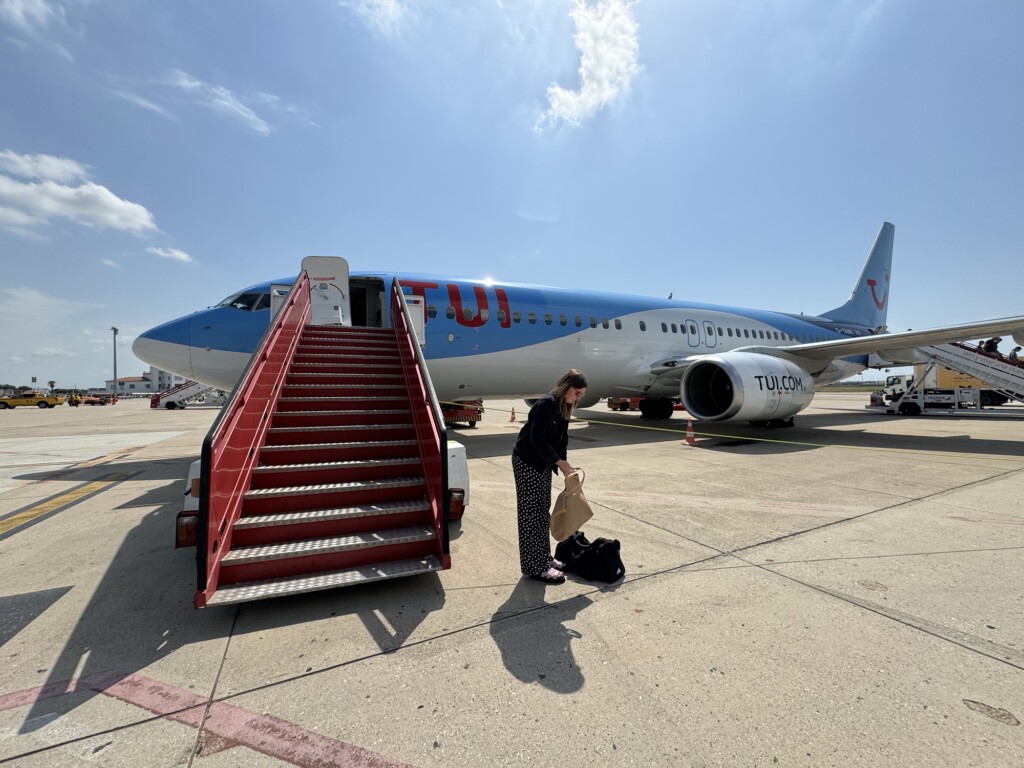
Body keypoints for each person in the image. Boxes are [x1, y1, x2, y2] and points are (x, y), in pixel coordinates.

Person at [511, 369, 588, 585]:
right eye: (577, 392)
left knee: (542, 510)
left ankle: (543, 557)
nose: (578, 397)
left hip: (543, 462)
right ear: (566, 387)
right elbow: (537, 438)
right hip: (527, 461)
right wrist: (559, 462)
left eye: (581, 394)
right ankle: (534, 567)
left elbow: (561, 440)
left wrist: (565, 465)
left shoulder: (564, 407)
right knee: (531, 513)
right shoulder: (546, 403)